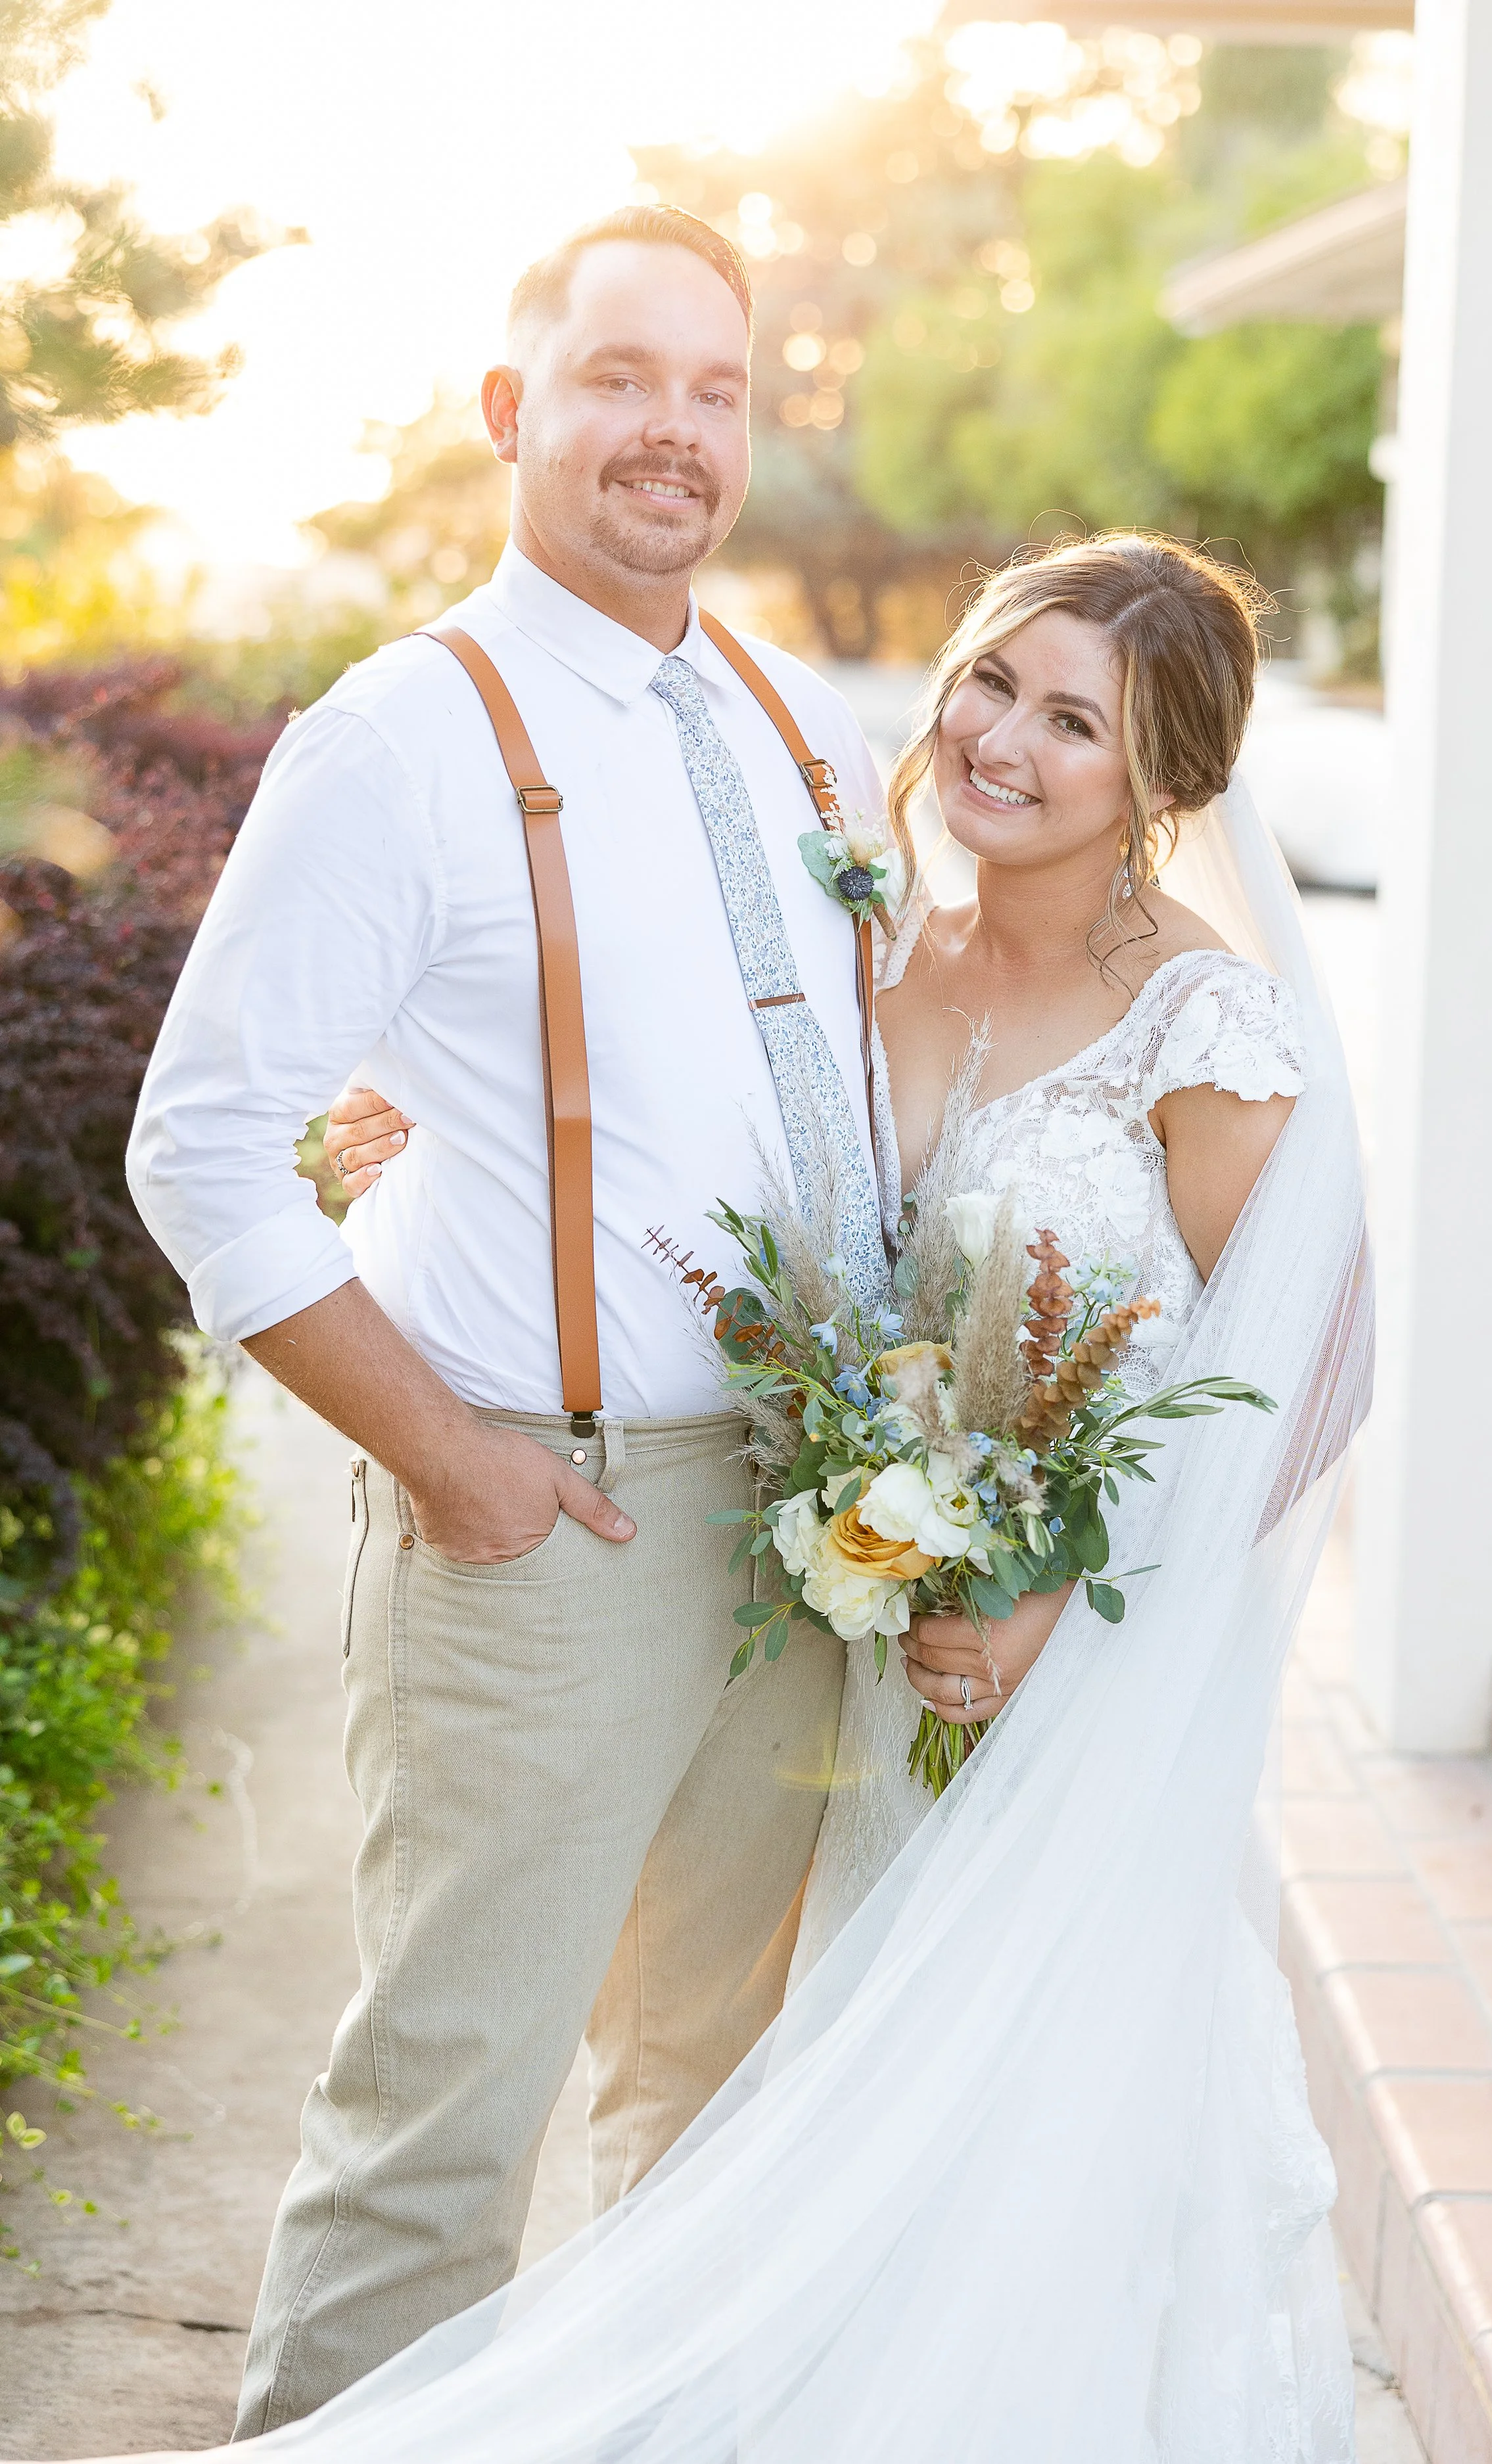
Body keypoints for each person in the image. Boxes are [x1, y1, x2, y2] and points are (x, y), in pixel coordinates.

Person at [258, 532, 1372, 2463]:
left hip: (1070, 1683)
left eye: (1071, 722)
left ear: (1161, 783)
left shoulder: (1208, 1028)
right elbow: (695, 1107)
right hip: (866, 1655)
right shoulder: (873, 940)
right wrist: (456, 1105)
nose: (998, 739)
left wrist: (1045, 1604)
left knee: (1008, 2115)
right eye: (988, 682)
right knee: (816, 2090)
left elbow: (1291, 1380)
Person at [125, 204, 895, 2437]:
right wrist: (452, 1461)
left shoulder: (785, 710)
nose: (674, 428)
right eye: (620, 376)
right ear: (509, 410)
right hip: (548, 1520)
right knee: (439, 2126)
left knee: (714, 2096)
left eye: (718, 388)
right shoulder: (399, 737)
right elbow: (202, 1143)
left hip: (811, 1523)